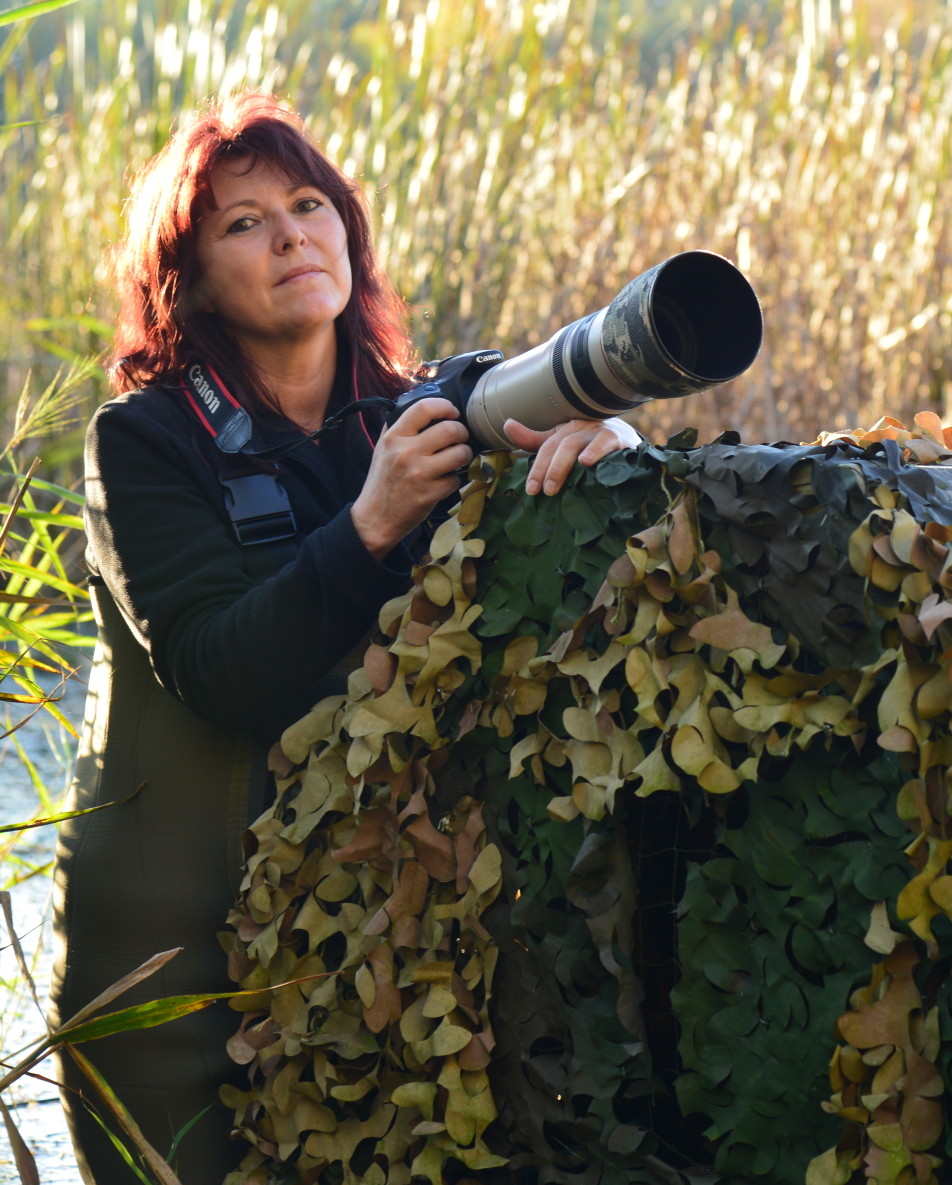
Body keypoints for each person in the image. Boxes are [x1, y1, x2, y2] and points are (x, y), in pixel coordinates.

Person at [47, 91, 640, 1184]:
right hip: (170, 967)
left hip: (367, 944)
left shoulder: (418, 413)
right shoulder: (141, 445)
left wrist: (607, 437)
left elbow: (569, 433)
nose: (290, 236)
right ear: (188, 283)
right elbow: (221, 671)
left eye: (310, 204)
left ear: (350, 236)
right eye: (242, 222)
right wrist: (370, 525)